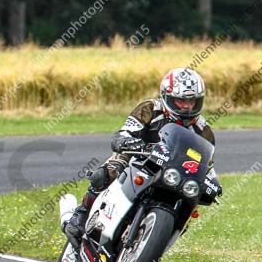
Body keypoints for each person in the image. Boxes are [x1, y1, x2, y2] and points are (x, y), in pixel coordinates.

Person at [63, 67, 220, 247]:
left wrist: (214, 182)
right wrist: (128, 142)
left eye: (192, 101)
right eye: (180, 101)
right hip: (139, 157)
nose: (186, 106)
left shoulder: (204, 131)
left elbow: (206, 164)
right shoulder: (150, 109)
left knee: (190, 208)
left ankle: (156, 249)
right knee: (109, 172)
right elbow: (125, 132)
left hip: (175, 173)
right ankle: (80, 216)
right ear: (167, 97)